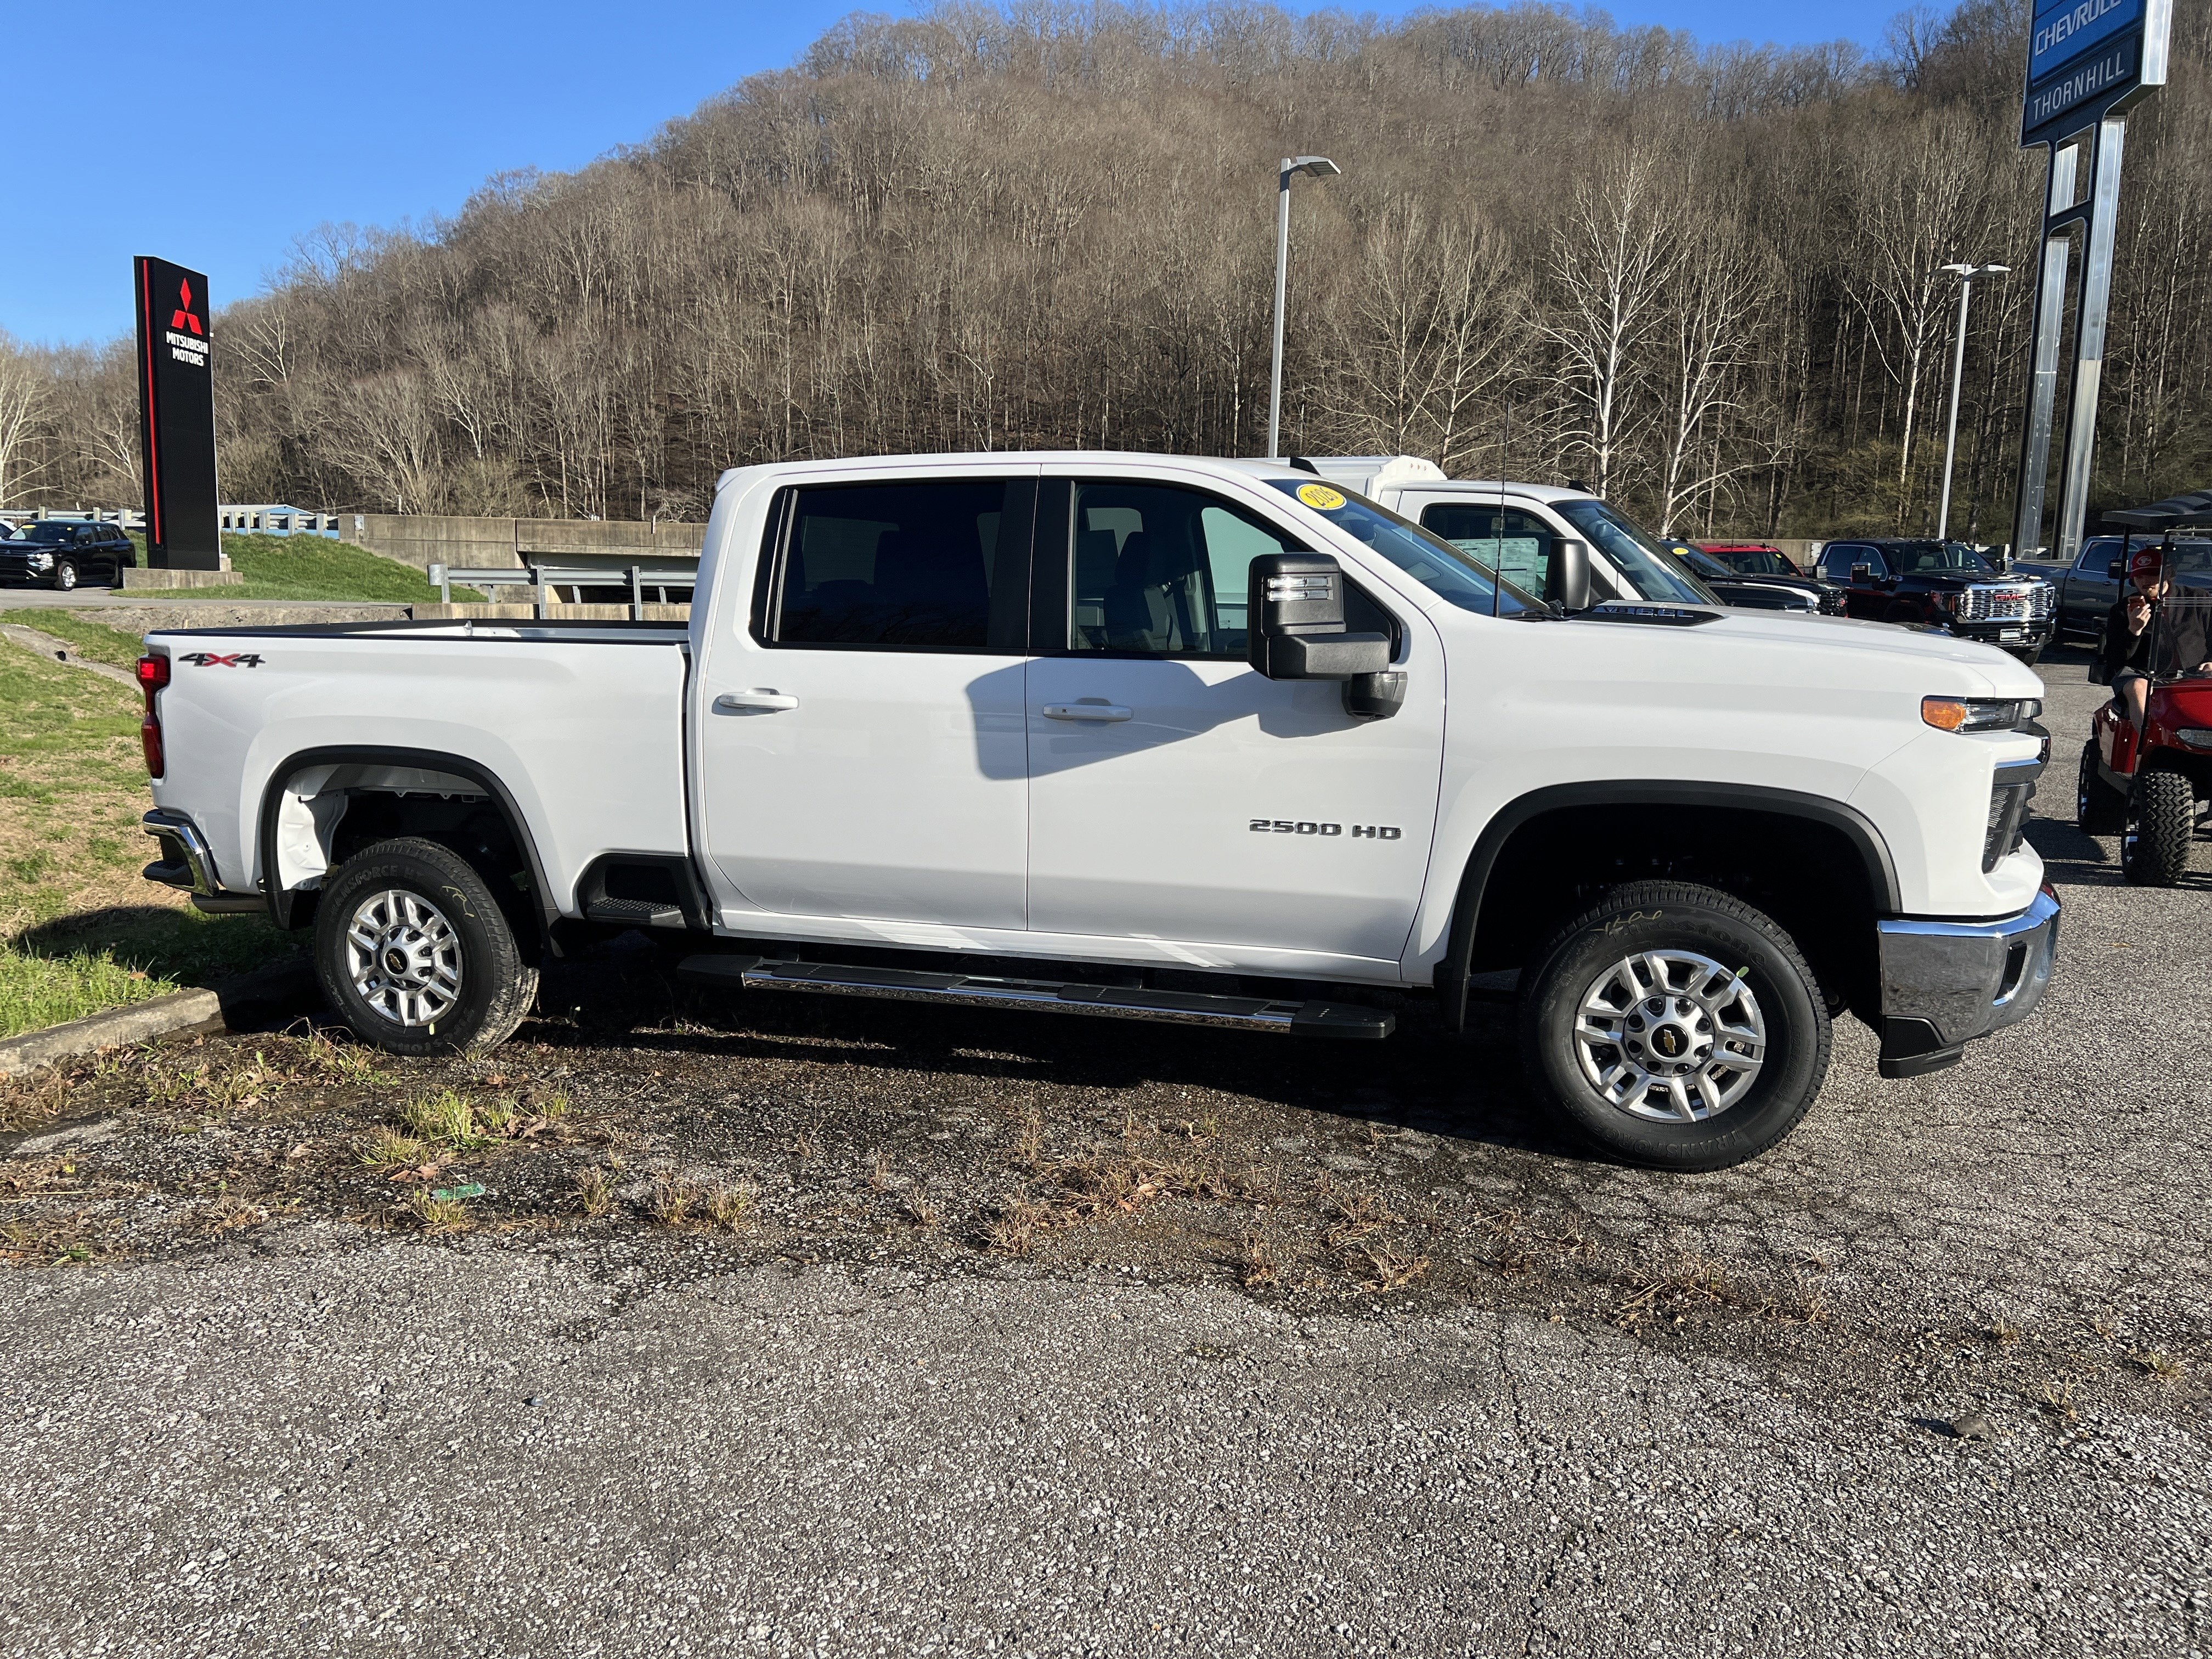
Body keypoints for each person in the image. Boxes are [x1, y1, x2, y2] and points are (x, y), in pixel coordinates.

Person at [2101, 542, 2212, 727]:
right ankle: (2146, 748)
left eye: (2152, 575)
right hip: (2143, 674)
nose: (2145, 582)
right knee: (2138, 687)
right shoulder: (2123, 610)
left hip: (2194, 672)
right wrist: (2134, 630)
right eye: (2140, 576)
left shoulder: (2197, 599)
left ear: (2167, 575)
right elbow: (2114, 659)